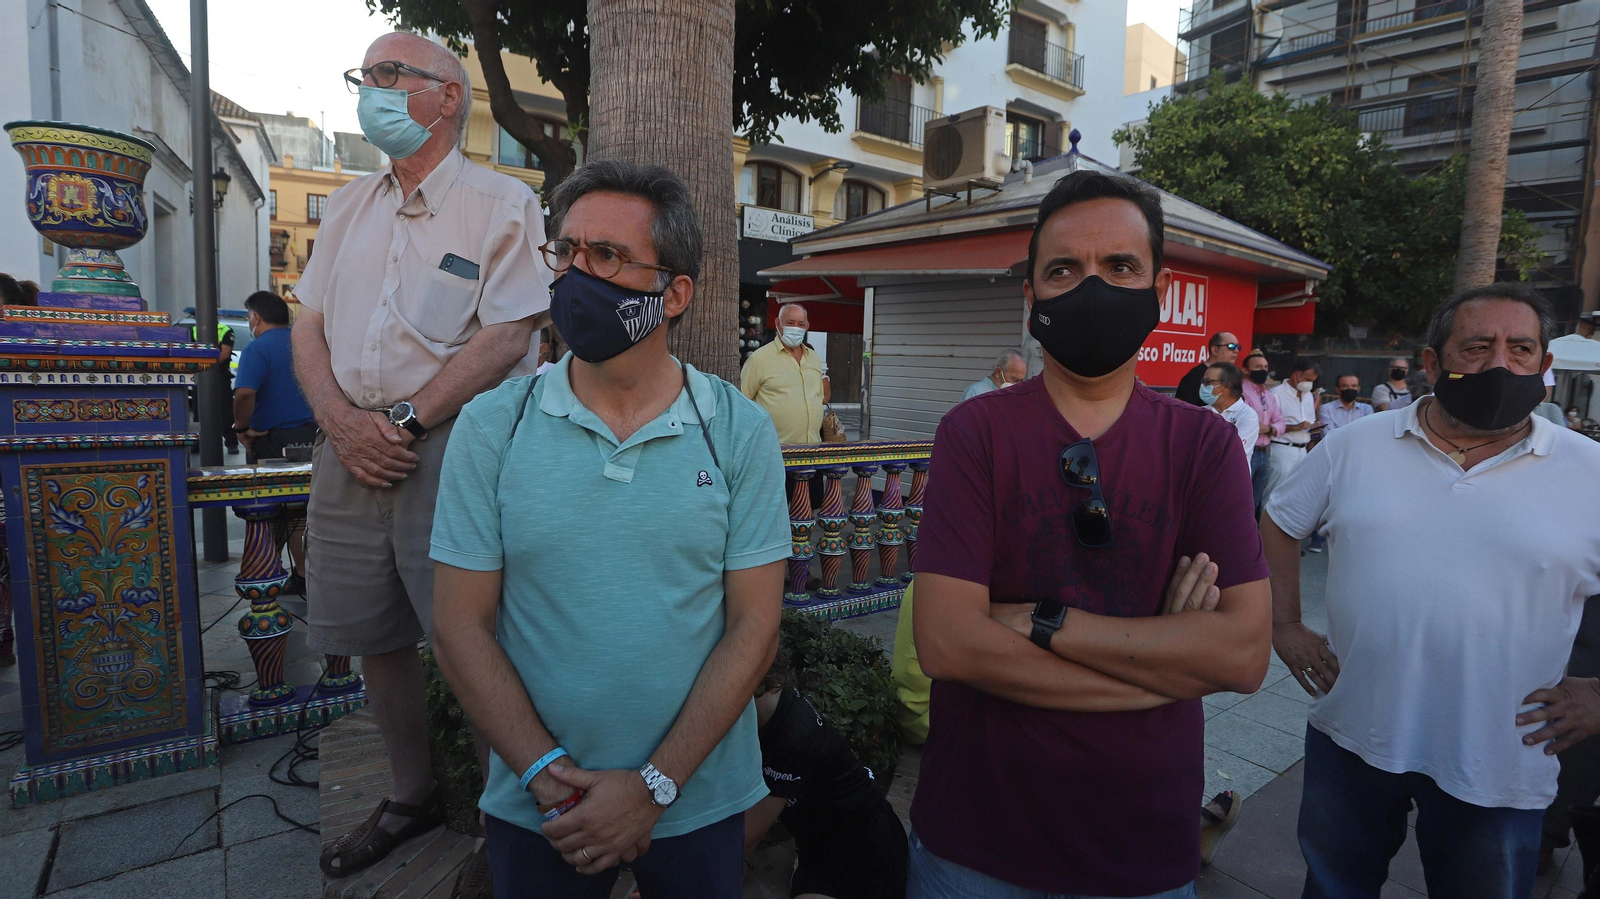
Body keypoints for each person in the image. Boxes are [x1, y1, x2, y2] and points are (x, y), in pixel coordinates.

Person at [429, 159, 790, 899]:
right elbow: (460, 624)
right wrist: (546, 778)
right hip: (542, 809)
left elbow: (755, 625)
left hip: (698, 799)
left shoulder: (738, 432)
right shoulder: (494, 425)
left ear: (675, 293)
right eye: (565, 251)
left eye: (609, 256)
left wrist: (656, 784)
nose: (574, 274)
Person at [909, 170, 1271, 898]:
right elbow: (947, 642)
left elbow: (1241, 653)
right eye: (1065, 269)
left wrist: (1043, 621)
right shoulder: (974, 432)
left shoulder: (1203, 446)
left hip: (1142, 851)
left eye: (1120, 267)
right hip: (973, 843)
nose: (1092, 286)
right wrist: (1158, 670)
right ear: (1032, 295)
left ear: (1156, 290)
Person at [294, 32, 548, 893]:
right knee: (375, 637)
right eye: (364, 74)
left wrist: (401, 419)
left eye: (390, 75)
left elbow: (511, 331)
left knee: (468, 634)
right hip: (347, 444)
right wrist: (338, 417)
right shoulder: (345, 207)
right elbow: (308, 324)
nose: (371, 88)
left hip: (449, 446)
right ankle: (408, 795)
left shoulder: (501, 203)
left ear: (449, 97)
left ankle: (500, 815)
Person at [1262, 283, 1600, 898]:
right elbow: (1281, 520)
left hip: (1498, 756)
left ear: (1545, 367)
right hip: (1354, 733)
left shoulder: (1590, 472)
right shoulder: (1353, 446)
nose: (1501, 364)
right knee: (1335, 887)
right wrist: (1284, 624)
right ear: (1431, 361)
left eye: (1521, 349)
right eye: (1477, 346)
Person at [747, 647, 909, 899]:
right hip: (818, 847)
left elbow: (748, 837)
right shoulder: (772, 710)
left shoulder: (792, 737)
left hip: (868, 849)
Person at [233, 291, 317, 463]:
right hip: (314, 435)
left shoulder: (256, 349)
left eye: (248, 317)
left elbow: (245, 394)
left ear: (256, 317)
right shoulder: (308, 344)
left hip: (272, 441)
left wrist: (241, 427)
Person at [741, 302, 829, 445]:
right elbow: (743, 404)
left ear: (807, 326)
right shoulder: (759, 359)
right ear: (777, 323)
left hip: (813, 450)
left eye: (801, 324)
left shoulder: (813, 358)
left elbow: (819, 397)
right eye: (790, 323)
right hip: (773, 452)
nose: (796, 328)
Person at [1265, 357, 1318, 500]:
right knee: (1275, 492)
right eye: (1307, 379)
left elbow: (1310, 421)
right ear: (1296, 374)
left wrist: (1313, 427)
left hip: (1302, 449)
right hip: (1282, 448)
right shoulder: (1276, 394)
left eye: (1312, 381)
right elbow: (1269, 425)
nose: (1309, 384)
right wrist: (1297, 427)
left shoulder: (1308, 396)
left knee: (1296, 493)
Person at [1241, 351, 1283, 514]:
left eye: (1265, 367)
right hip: (1248, 451)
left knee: (1256, 501)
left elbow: (1280, 421)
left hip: (1265, 453)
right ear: (1246, 370)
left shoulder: (1268, 394)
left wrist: (1270, 429)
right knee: (1241, 498)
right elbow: (1246, 423)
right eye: (1258, 367)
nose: (1263, 370)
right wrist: (1262, 428)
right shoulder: (1241, 392)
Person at [192, 318, 238, 453]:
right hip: (200, 376)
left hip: (220, 376)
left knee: (225, 411)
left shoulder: (224, 330)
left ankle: (231, 443)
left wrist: (205, 364)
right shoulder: (193, 330)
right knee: (198, 411)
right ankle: (197, 443)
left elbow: (224, 353)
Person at [1204, 361, 1258, 462]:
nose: (1203, 386)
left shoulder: (1247, 415)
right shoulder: (1201, 412)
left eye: (1208, 382)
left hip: (1233, 475)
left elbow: (1233, 450)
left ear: (1226, 386)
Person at [1175, 332, 1241, 405]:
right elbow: (1181, 409)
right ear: (1215, 350)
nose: (1236, 351)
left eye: (1238, 347)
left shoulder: (1234, 377)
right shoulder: (1194, 376)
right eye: (1231, 346)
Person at [961, 349, 1028, 401]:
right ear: (998, 372)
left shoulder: (1012, 394)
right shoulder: (975, 392)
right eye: (1015, 379)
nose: (1018, 385)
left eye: (1021, 381)